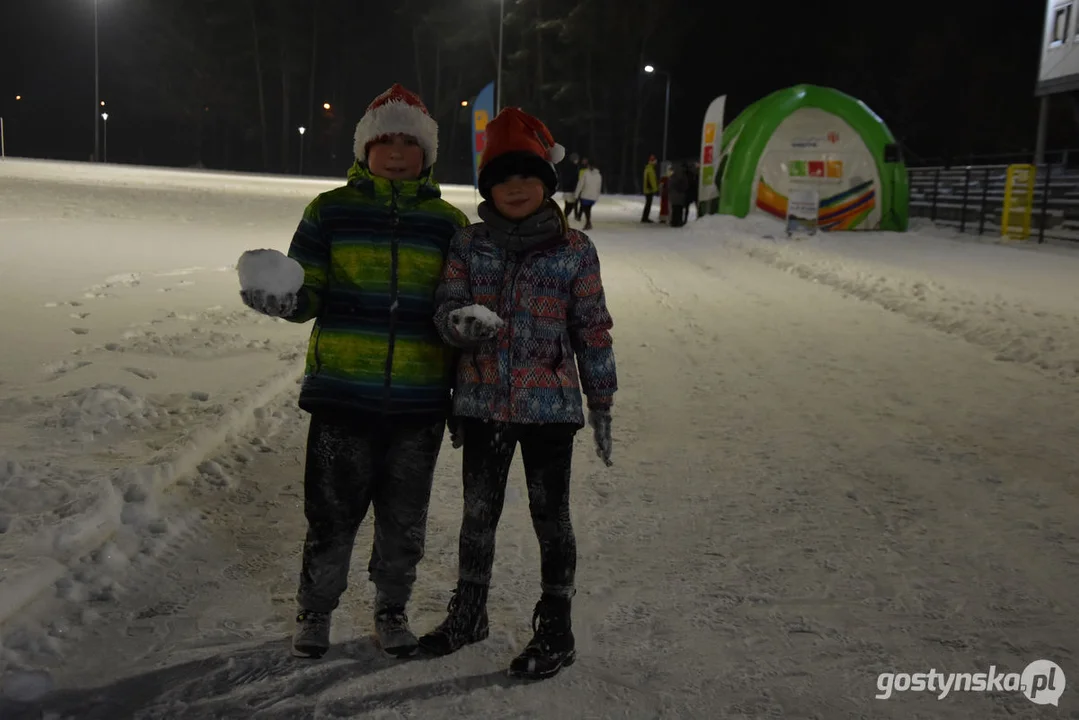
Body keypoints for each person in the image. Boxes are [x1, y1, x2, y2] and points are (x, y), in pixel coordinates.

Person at [240, 83, 469, 660]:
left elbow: (456, 306)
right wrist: (285, 299)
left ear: (428, 153)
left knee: (403, 520)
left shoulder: (448, 224)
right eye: (384, 140)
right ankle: (314, 610)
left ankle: (392, 610)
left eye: (408, 142)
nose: (396, 152)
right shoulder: (329, 211)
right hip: (343, 394)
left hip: (419, 403)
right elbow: (309, 288)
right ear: (364, 148)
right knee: (331, 514)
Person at [419, 107, 618, 680]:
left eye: (528, 177)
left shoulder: (574, 249)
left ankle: (557, 625)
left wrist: (600, 401)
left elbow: (593, 328)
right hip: (482, 404)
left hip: (550, 411)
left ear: (548, 185)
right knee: (477, 515)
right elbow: (445, 309)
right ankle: (470, 613)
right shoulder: (468, 242)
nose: (516, 188)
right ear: (487, 188)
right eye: (503, 179)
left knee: (549, 518)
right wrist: (458, 326)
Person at [574, 161, 603, 231]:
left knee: (586, 210)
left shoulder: (585, 173)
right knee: (588, 210)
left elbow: (580, 184)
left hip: (585, 196)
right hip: (593, 197)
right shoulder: (599, 175)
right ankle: (588, 223)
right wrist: (597, 196)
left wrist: (576, 194)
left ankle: (588, 223)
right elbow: (599, 187)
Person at [668, 161, 689, 228]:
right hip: (680, 195)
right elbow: (685, 185)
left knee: (674, 209)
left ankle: (674, 222)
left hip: (673, 195)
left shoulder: (673, 175)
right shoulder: (683, 175)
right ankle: (679, 221)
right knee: (679, 209)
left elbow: (670, 184)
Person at [559, 152, 580, 217]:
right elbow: (574, 179)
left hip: (566, 189)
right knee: (570, 206)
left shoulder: (566, 167)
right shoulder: (574, 168)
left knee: (567, 205)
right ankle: (564, 220)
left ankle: (565, 219)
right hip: (571, 190)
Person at [641, 154, 658, 223]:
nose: (655, 162)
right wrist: (655, 189)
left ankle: (645, 217)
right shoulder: (650, 169)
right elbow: (651, 181)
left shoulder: (649, 169)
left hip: (648, 189)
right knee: (648, 204)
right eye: (654, 161)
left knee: (648, 204)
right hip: (649, 190)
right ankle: (645, 218)